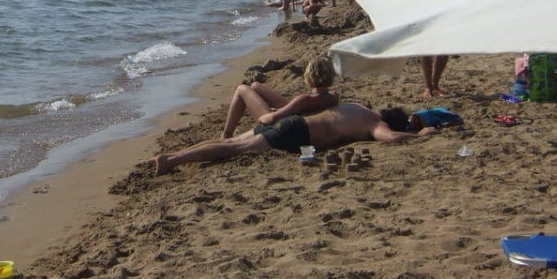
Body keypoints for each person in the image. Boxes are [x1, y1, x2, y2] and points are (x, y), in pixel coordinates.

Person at [151, 103, 438, 175]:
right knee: (234, 149)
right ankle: (171, 161)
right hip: (297, 133)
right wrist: (418, 135)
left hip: (294, 122)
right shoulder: (375, 123)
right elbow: (390, 138)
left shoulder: (359, 107)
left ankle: (172, 156)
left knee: (229, 142)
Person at [222, 56, 339, 138]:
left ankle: (227, 134)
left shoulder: (305, 99)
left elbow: (272, 119)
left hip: (282, 127)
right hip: (300, 117)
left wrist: (269, 113)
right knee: (255, 86)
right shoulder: (333, 96)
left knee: (241, 89)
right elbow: (301, 110)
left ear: (309, 75)